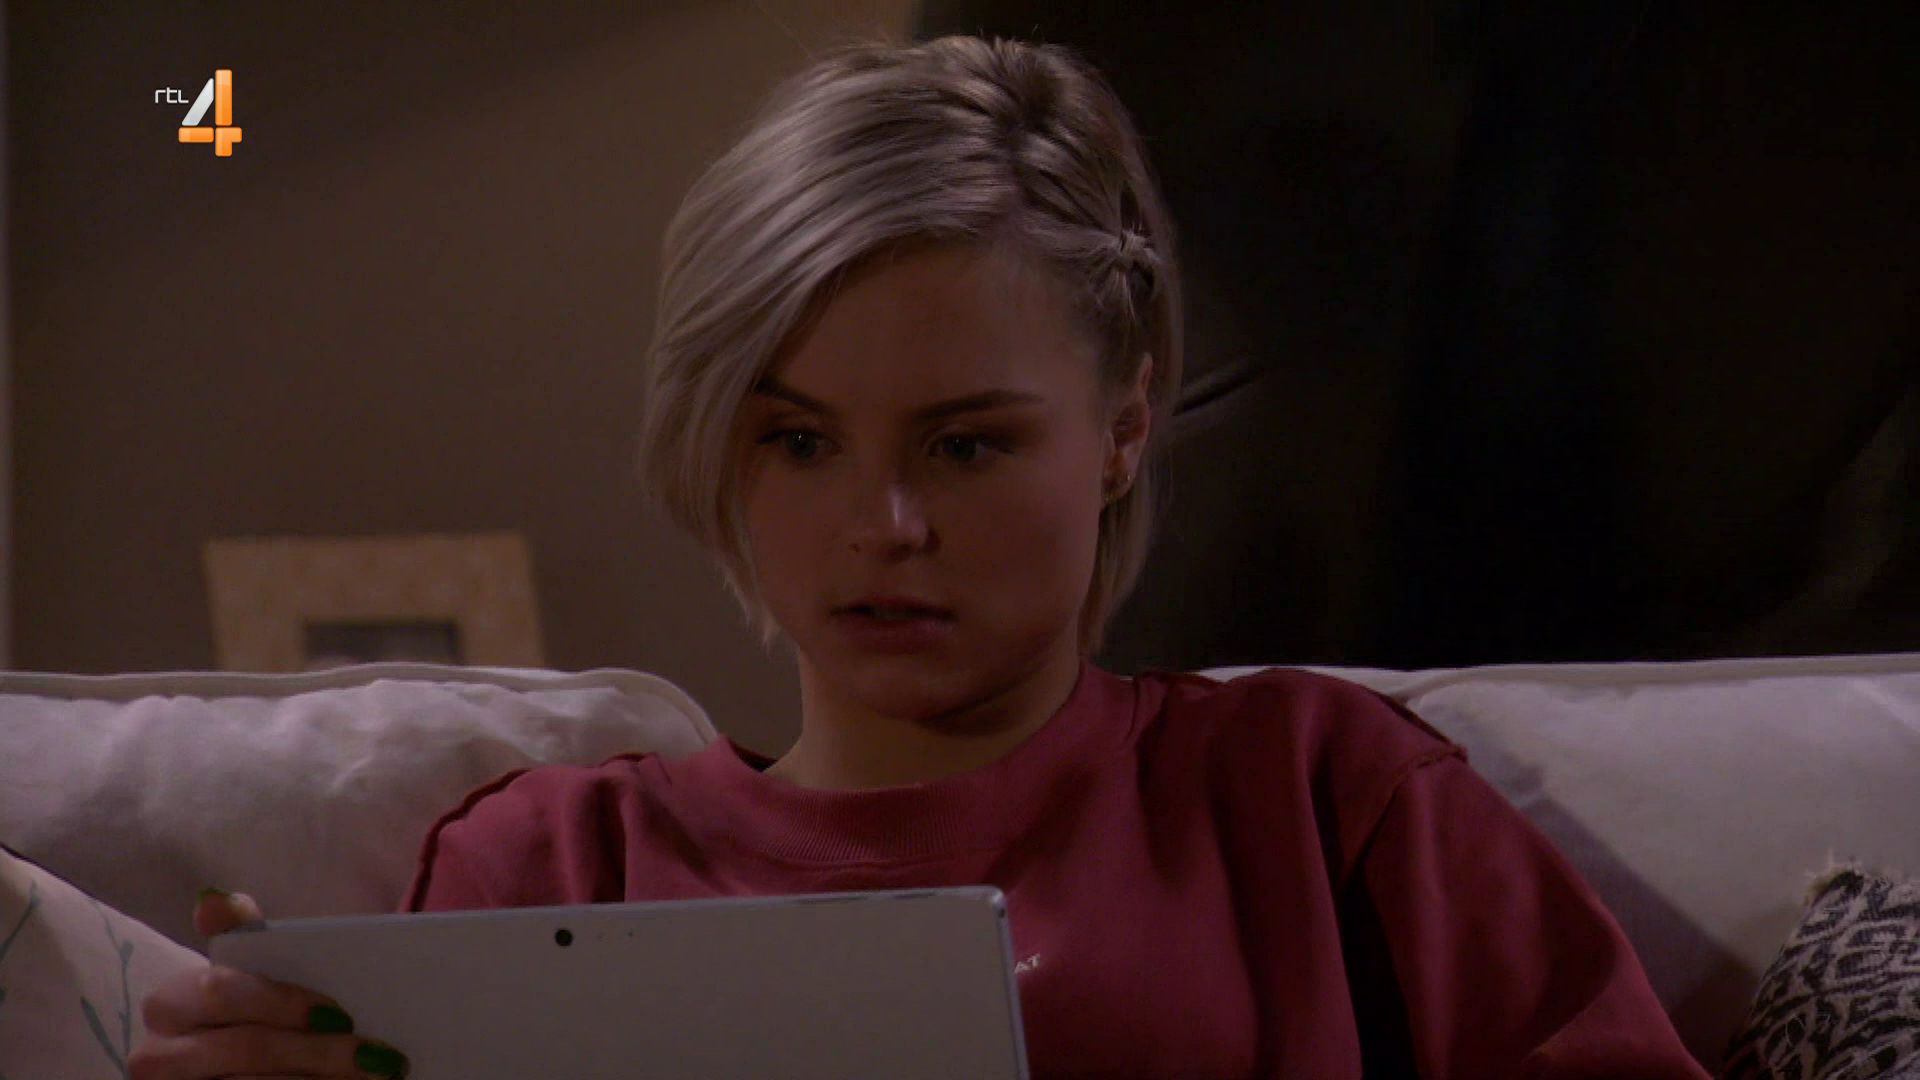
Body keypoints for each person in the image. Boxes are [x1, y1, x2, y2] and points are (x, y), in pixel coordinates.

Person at [131, 35, 1710, 1080]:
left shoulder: (1320, 797)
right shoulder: (550, 871)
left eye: (964, 446)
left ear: (1122, 428)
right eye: (799, 441)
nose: (882, 527)